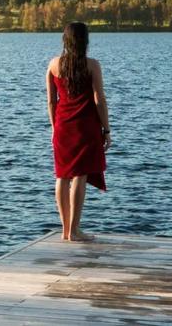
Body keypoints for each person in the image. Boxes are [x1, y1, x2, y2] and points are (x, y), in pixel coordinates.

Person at [46, 22, 111, 242]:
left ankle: (65, 231)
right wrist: (107, 129)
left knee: (62, 176)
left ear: (65, 40)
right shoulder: (92, 65)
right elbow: (99, 99)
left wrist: (54, 128)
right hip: (85, 127)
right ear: (85, 40)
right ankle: (75, 231)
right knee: (79, 176)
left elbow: (51, 102)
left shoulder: (54, 65)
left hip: (62, 126)